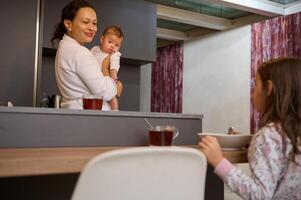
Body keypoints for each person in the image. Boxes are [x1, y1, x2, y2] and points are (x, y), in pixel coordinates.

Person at [199, 57, 301, 200]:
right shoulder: (290, 133)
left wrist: (219, 161)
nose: (252, 92)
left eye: (256, 85)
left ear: (269, 88)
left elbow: (259, 195)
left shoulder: (268, 135)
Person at [51, 0, 122, 110]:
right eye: (85, 22)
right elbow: (106, 92)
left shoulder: (65, 47)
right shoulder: (79, 52)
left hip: (78, 115)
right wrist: (105, 69)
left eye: (94, 23)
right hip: (88, 118)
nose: (91, 28)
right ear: (68, 24)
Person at [91, 25, 124, 111]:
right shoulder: (94, 50)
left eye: (117, 45)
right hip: (96, 79)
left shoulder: (114, 54)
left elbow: (114, 64)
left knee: (112, 97)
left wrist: (113, 74)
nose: (113, 46)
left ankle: (115, 110)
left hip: (108, 79)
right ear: (102, 39)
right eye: (110, 42)